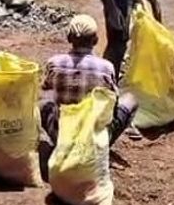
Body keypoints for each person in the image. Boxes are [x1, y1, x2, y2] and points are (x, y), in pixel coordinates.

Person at [39, 14, 140, 159]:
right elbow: (113, 103)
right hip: (93, 140)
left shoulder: (54, 63)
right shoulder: (106, 67)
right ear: (96, 40)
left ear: (69, 39)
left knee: (43, 104)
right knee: (131, 98)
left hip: (61, 138)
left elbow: (46, 90)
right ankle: (102, 145)